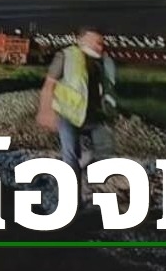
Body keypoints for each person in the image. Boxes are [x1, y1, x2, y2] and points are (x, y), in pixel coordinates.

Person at [37, 26, 118, 206]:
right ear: (81, 40)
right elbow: (49, 84)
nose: (98, 45)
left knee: (105, 151)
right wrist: (45, 110)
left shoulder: (105, 62)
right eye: (94, 41)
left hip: (95, 116)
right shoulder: (66, 56)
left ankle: (82, 167)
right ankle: (73, 200)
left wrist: (111, 112)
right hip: (68, 114)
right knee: (71, 156)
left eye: (100, 42)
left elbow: (108, 89)